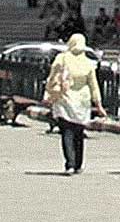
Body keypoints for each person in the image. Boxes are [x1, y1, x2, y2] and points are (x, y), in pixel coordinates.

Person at [43, 33, 102, 174]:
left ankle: (69, 163)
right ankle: (78, 164)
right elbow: (94, 85)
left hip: (65, 99)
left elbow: (52, 78)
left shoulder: (62, 58)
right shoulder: (87, 63)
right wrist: (98, 104)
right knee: (79, 133)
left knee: (67, 132)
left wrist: (48, 94)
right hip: (82, 102)